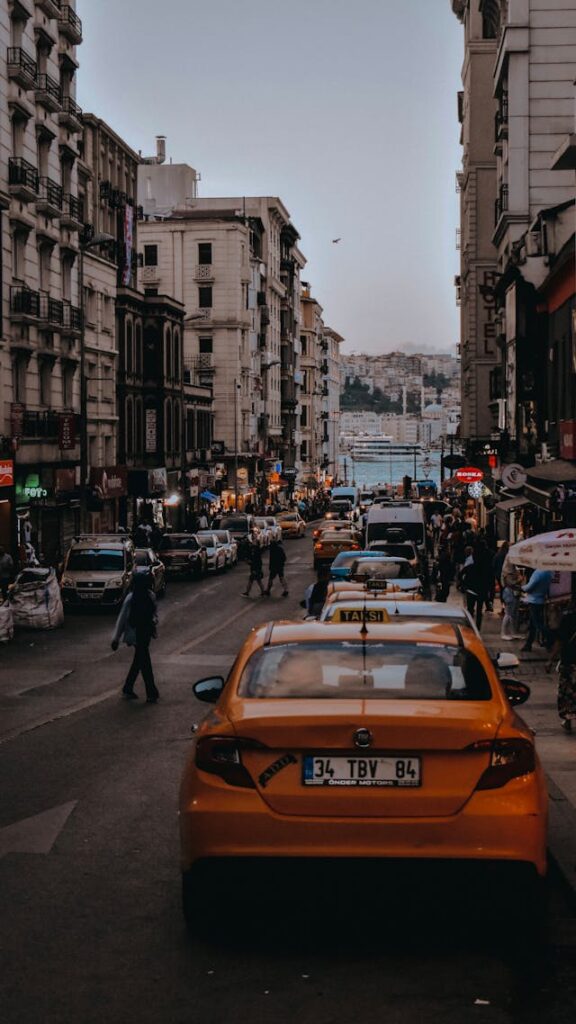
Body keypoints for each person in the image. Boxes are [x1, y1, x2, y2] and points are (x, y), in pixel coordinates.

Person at [111, 573, 159, 703]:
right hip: (136, 634)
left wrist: (153, 621)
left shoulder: (149, 596)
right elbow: (122, 619)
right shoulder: (132, 599)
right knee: (145, 663)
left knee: (139, 661)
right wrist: (115, 638)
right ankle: (151, 692)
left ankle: (128, 688)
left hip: (146, 632)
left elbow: (154, 613)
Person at [547, 606, 576, 732]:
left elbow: (559, 641)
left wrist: (550, 660)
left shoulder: (569, 619)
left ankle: (568, 719)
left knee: (567, 691)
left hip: (569, 660)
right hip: (570, 660)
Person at [521, 569, 552, 652]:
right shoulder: (549, 572)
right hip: (541, 600)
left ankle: (551, 638)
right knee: (533, 624)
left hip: (534, 600)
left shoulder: (538, 572)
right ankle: (528, 644)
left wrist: (522, 587)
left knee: (537, 623)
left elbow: (529, 587)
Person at [500, 557, 523, 640]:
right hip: (510, 593)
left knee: (513, 614)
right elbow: (510, 583)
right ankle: (504, 633)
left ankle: (513, 632)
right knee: (508, 613)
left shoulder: (512, 569)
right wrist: (519, 580)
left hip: (514, 592)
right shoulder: (507, 571)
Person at [242, 533, 265, 597]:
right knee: (257, 580)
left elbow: (257, 560)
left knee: (252, 580)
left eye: (254, 541)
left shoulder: (256, 550)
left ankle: (247, 592)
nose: (253, 541)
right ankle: (262, 591)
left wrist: (251, 564)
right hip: (254, 567)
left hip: (255, 567)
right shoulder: (253, 549)